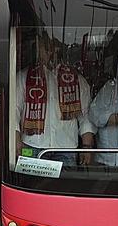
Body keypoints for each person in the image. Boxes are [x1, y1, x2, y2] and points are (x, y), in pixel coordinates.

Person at [18, 34, 94, 166]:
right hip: (32, 146)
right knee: (29, 186)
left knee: (65, 187)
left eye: (53, 47)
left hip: (66, 149)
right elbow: (14, 112)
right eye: (45, 47)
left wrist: (87, 147)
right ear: (39, 49)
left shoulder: (76, 79)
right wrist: (16, 142)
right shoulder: (24, 78)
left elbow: (86, 116)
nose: (50, 52)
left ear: (59, 49)